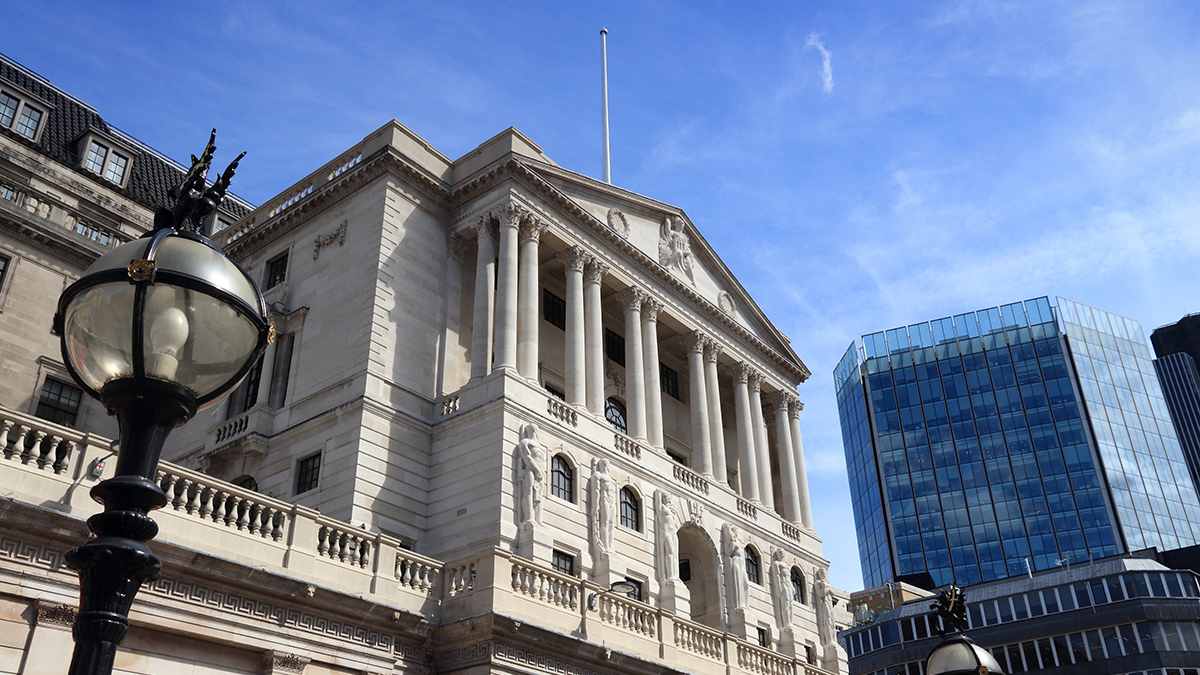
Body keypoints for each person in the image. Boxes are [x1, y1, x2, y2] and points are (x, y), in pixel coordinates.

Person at [516, 424, 546, 525]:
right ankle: (529, 518)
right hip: (530, 469)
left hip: (540, 472)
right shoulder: (525, 442)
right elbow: (527, 457)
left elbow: (544, 462)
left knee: (539, 496)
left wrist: (540, 472)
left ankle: (539, 520)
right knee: (528, 490)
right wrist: (537, 470)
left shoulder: (541, 447)